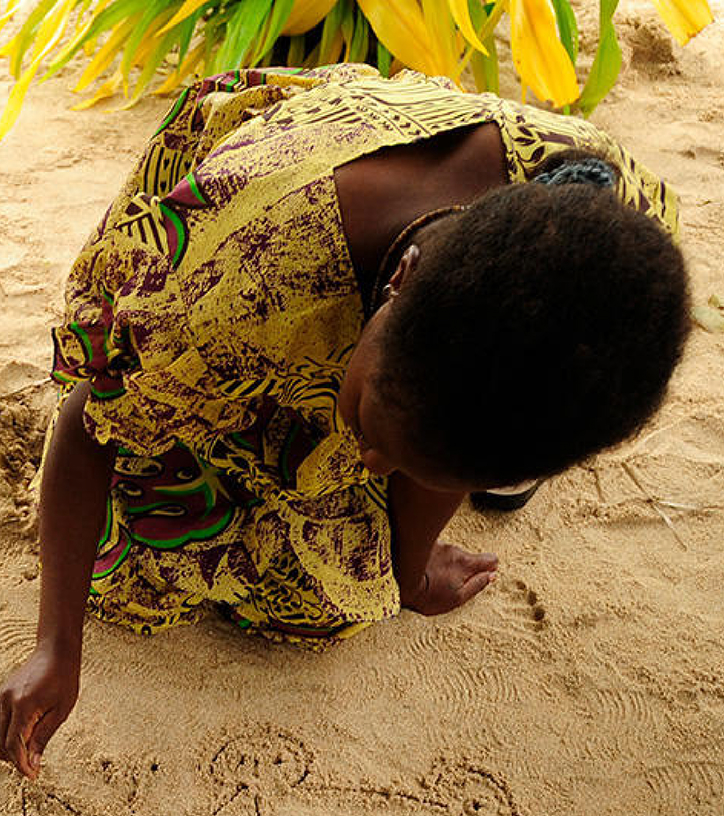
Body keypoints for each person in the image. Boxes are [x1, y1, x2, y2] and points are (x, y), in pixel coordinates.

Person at [0, 63, 690, 779]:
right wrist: (57, 645)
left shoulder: (617, 239)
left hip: (406, 340)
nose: (364, 464)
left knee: (355, 574)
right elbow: (89, 425)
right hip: (259, 244)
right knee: (139, 550)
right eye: (369, 426)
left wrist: (412, 568)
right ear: (402, 279)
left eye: (417, 464)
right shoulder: (235, 281)